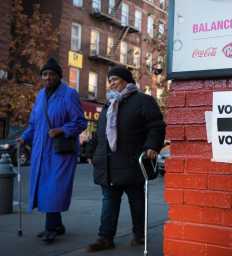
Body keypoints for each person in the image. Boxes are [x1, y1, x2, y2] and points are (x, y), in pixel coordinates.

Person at [86, 65, 166, 252]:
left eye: (115, 79)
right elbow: (99, 133)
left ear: (127, 80)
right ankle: (105, 238)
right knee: (109, 203)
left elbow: (156, 126)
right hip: (108, 163)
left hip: (132, 162)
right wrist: (90, 152)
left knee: (137, 202)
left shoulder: (143, 101)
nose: (111, 83)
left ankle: (139, 235)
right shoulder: (109, 104)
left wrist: (152, 146)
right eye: (110, 80)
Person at [17, 57, 87, 243]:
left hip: (60, 151)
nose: (48, 77)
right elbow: (33, 123)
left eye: (51, 74)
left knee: (54, 189)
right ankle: (57, 225)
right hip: (41, 150)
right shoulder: (40, 95)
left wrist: (62, 130)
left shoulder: (69, 94)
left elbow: (80, 122)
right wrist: (24, 138)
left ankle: (50, 228)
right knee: (45, 188)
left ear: (58, 76)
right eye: (44, 74)